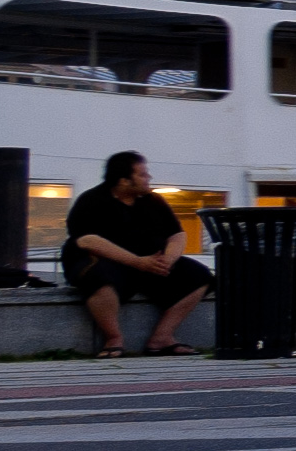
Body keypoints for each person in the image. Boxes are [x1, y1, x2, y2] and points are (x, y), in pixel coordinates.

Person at [64, 152, 211, 356]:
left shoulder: (153, 201)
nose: (148, 178)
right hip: (107, 262)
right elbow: (87, 240)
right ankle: (113, 339)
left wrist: (168, 260)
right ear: (124, 181)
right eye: (142, 175)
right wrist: (137, 262)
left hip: (149, 263)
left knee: (199, 275)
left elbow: (177, 234)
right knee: (98, 277)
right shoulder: (92, 201)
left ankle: (162, 337)